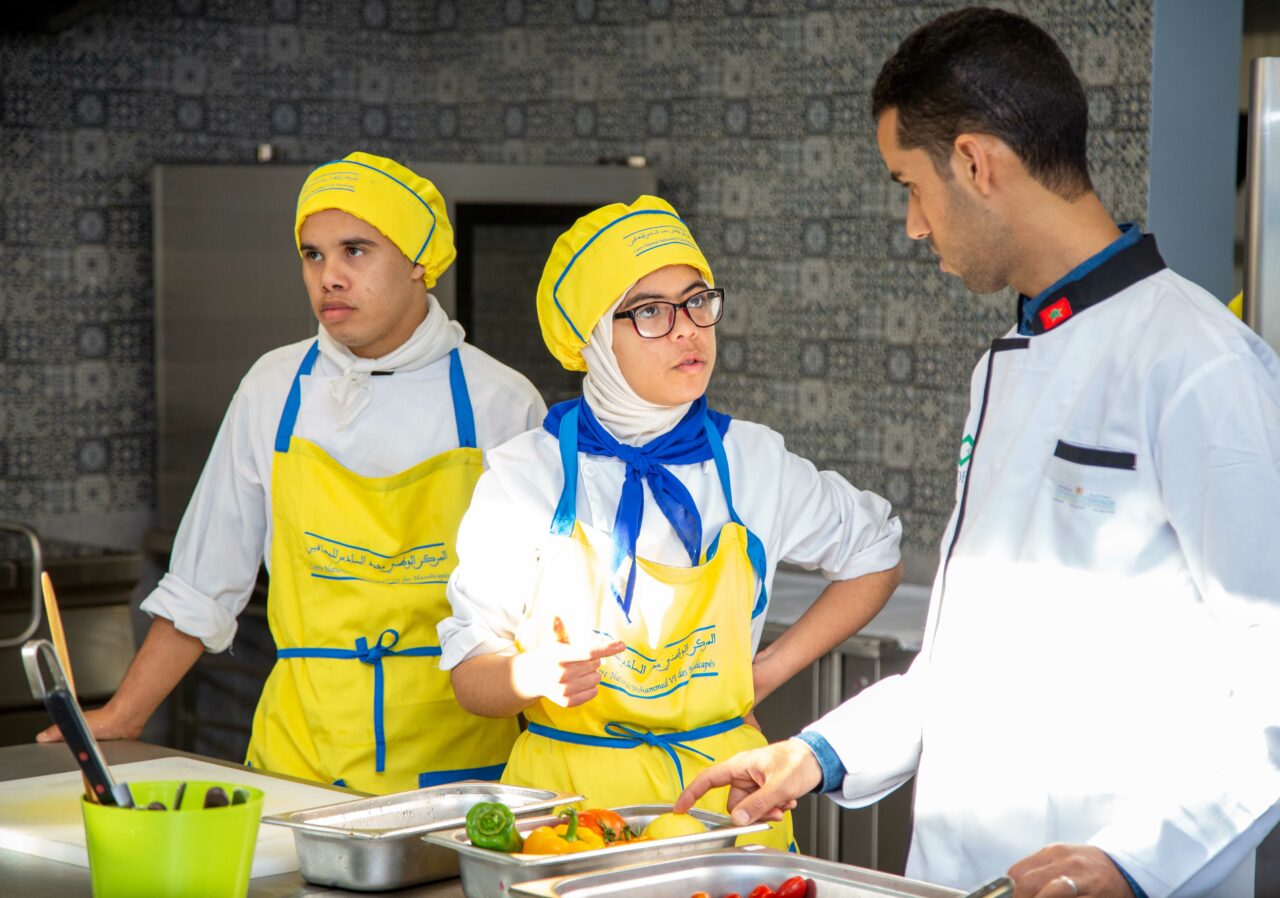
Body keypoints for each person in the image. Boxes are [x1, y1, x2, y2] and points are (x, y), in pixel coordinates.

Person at [674, 8, 1280, 897]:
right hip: (961, 879)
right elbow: (974, 665)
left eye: (908, 185)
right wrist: (820, 753)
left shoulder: (1200, 367)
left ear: (974, 162)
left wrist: (1133, 862)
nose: (915, 227)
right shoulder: (1004, 366)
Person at [38, 152, 547, 795]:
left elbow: (541, 606)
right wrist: (122, 714)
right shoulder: (273, 388)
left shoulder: (502, 401)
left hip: (459, 774)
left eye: (355, 251)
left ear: (420, 261)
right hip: (299, 762)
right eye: (312, 255)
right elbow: (203, 580)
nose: (328, 277)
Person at [436, 195, 904, 851]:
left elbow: (875, 554)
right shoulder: (527, 477)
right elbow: (469, 677)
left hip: (725, 807)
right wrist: (532, 675)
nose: (687, 329)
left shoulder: (753, 461)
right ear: (594, 336)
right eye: (650, 311)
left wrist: (764, 671)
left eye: (696, 301)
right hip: (569, 817)